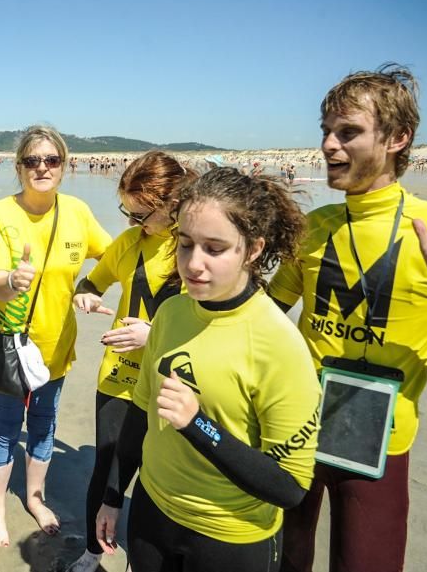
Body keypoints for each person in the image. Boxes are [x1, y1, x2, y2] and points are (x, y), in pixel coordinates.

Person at [268, 64, 427, 572]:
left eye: (348, 132)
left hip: (381, 438)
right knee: (283, 561)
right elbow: (264, 320)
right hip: (294, 422)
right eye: (326, 132)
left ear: (398, 138)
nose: (329, 146)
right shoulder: (313, 228)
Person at [96, 167, 321, 572]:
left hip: (231, 537)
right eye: (185, 245)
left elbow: (289, 487)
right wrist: (113, 497)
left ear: (252, 249)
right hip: (152, 516)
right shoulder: (170, 313)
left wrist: (198, 424)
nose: (194, 264)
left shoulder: (280, 345)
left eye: (214, 249)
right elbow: (139, 417)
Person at [0, 125, 111, 548]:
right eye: (33, 161)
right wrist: (12, 281)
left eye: (52, 160)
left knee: (45, 424)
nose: (42, 168)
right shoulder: (0, 213)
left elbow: (116, 256)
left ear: (64, 166)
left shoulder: (77, 212)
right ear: (19, 167)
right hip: (11, 347)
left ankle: (34, 498)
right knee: (5, 427)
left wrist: (90, 289)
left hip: (56, 348)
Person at [64, 150, 198, 572]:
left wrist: (152, 334)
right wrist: (84, 294)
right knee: (105, 467)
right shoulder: (127, 245)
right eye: (127, 211)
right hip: (120, 377)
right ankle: (92, 550)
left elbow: (214, 322)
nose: (131, 223)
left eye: (141, 215)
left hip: (177, 385)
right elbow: (91, 281)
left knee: (160, 477)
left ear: (172, 203)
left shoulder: (194, 247)